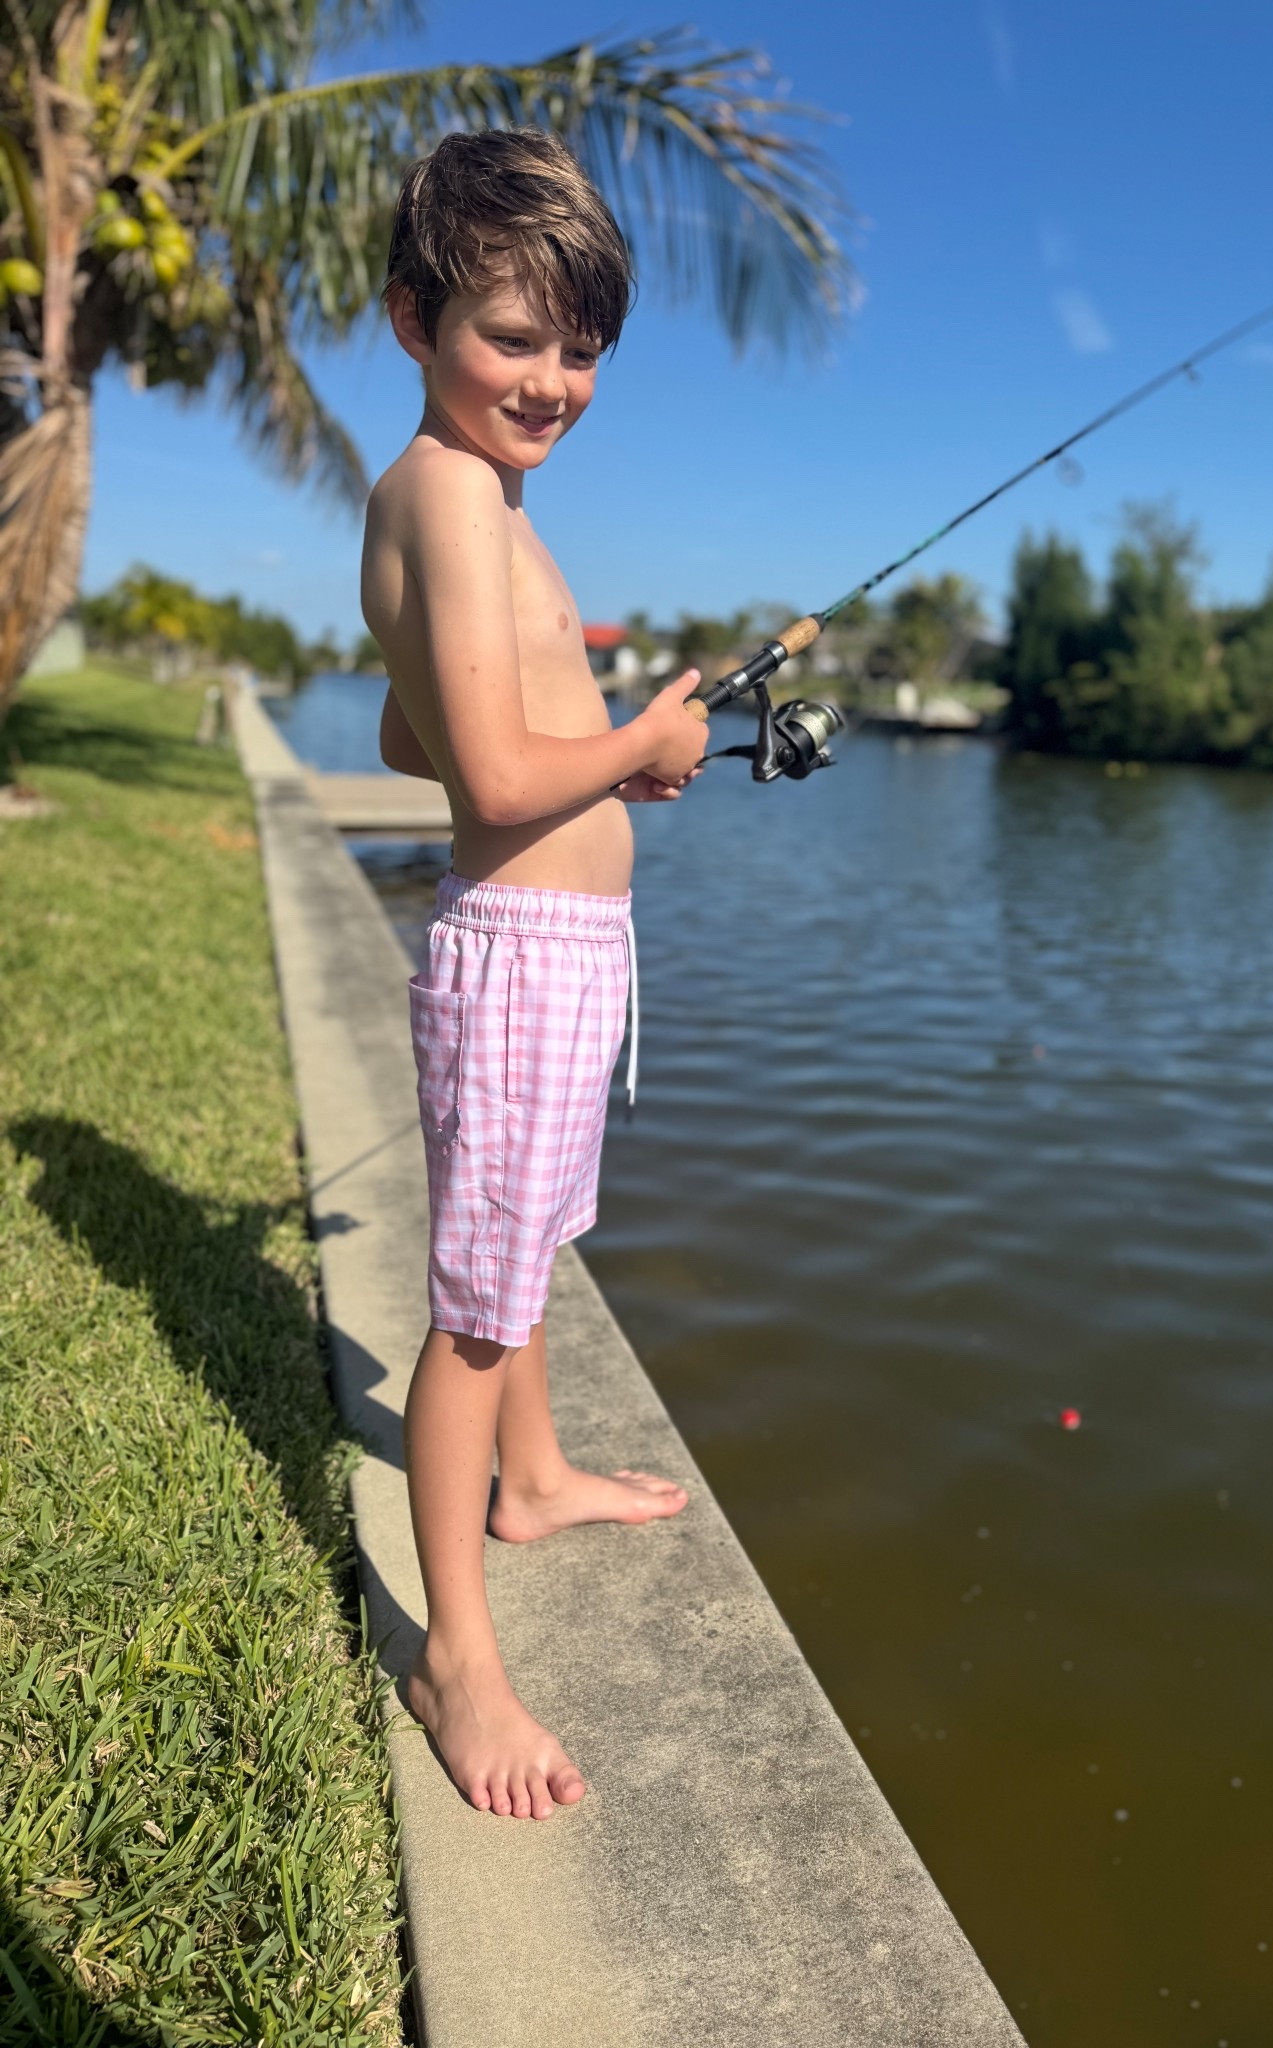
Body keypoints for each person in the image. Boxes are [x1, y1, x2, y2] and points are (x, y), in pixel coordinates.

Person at [359, 128, 709, 1820]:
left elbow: (403, 724)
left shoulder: (483, 502)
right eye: (514, 337)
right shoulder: (436, 489)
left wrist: (603, 752)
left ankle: (539, 1475)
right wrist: (636, 734)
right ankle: (458, 1658)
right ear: (413, 316)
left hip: (570, 951)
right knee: (475, 1315)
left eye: (584, 351)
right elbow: (491, 786)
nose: (555, 380)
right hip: (514, 957)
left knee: (536, 1236)